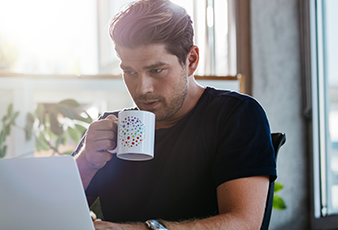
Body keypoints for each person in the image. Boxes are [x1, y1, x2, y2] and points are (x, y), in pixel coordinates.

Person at [72, 0, 276, 229]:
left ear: (191, 61)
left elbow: (244, 224)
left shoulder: (235, 115)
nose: (142, 89)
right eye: (129, 71)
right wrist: (86, 163)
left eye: (156, 70)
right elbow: (51, 217)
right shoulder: (111, 128)